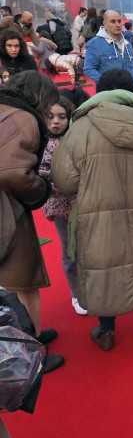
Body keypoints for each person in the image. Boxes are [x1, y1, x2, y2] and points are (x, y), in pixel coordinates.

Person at [51, 87, 133, 351]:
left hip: (99, 219)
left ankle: (107, 331)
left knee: (103, 269)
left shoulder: (79, 131)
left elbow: (66, 181)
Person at [0, 71, 65, 373]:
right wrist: (40, 187)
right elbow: (13, 172)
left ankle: (32, 337)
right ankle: (31, 357)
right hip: (7, 208)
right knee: (24, 279)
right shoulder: (24, 118)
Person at [39, 96, 84, 315]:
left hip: (84, 205)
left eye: (61, 116)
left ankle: (91, 289)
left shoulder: (77, 139)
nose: (55, 121)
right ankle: (76, 293)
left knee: (89, 250)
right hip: (60, 207)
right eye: (50, 117)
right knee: (70, 252)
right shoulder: (41, 142)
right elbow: (38, 169)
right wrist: (53, 178)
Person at [83, 10, 133, 83]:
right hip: (108, 92)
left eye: (119, 21)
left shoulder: (128, 44)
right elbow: (89, 69)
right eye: (113, 21)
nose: (117, 25)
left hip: (129, 91)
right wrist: (107, 84)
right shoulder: (94, 44)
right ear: (105, 24)